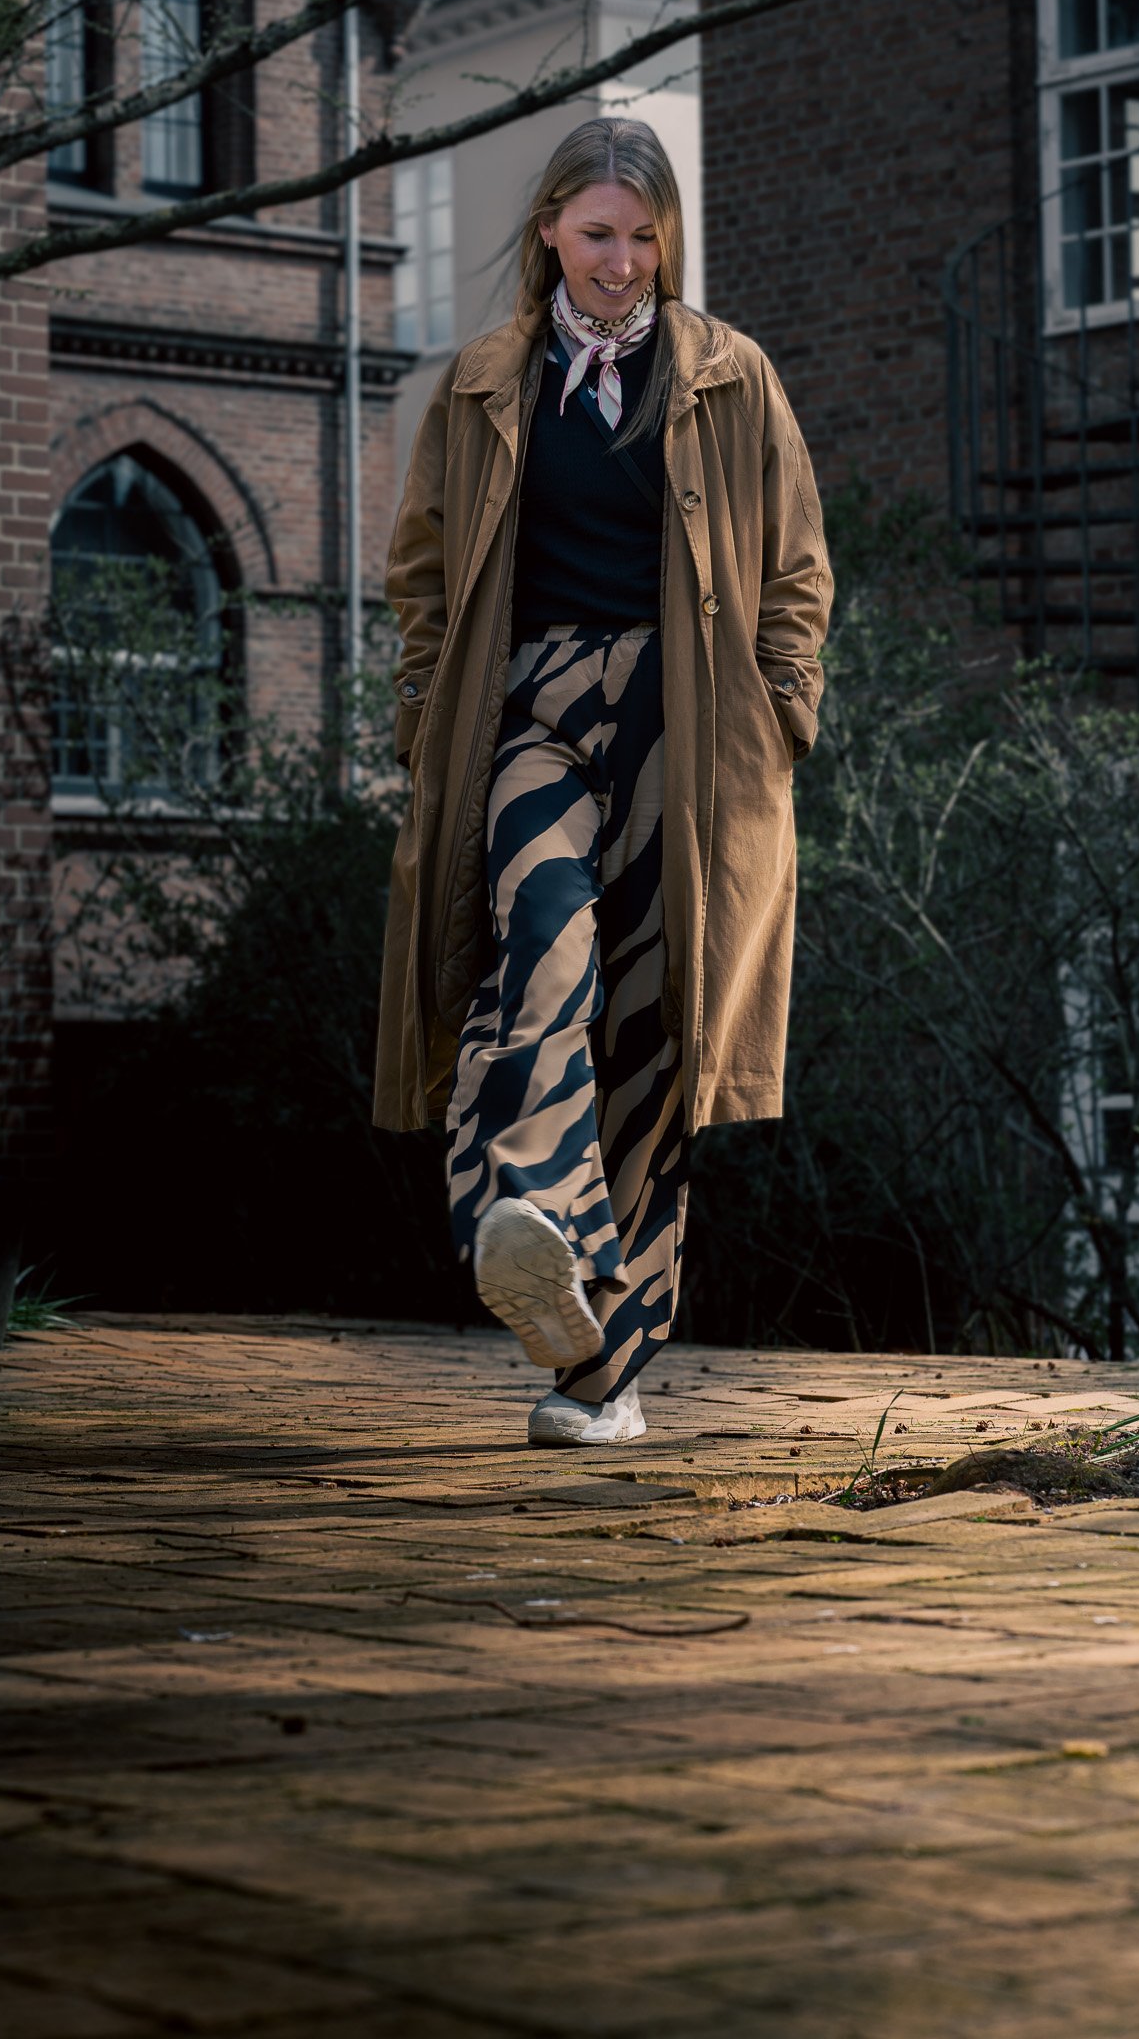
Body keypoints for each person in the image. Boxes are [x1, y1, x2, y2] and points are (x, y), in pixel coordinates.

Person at [374, 117, 831, 1446]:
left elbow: (796, 567)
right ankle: (535, 1203)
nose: (621, 261)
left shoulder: (731, 378)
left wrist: (781, 712)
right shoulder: (479, 386)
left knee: (647, 1032)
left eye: (642, 238)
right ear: (548, 237)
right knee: (541, 924)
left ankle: (600, 1373)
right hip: (526, 715)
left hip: (684, 729)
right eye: (596, 236)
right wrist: (422, 716)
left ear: (665, 241)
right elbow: (420, 571)